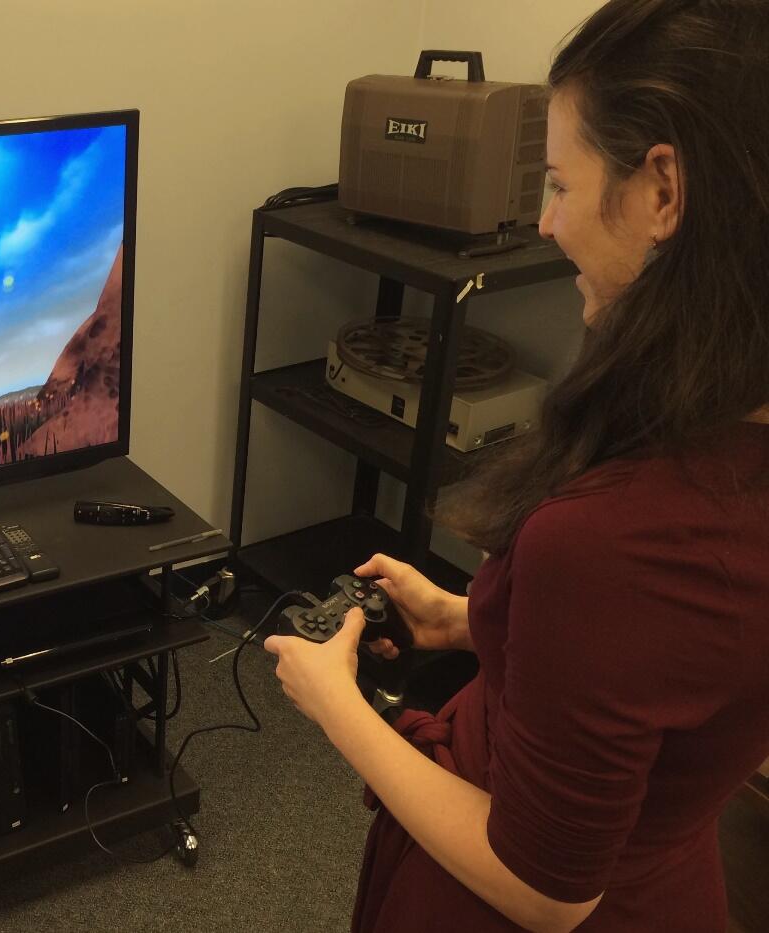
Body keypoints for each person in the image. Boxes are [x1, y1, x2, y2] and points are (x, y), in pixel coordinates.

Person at [262, 1, 769, 930]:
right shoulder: (720, 442)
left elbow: (546, 887)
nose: (542, 222)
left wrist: (341, 707)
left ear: (664, 191)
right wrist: (471, 619)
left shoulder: (609, 537)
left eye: (562, 187)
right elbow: (668, 666)